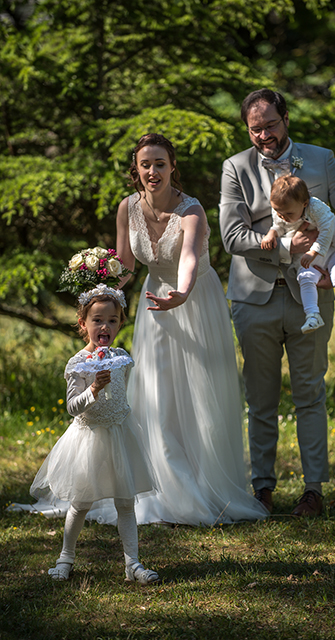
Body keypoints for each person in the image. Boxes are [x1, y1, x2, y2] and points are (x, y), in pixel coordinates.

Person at [219, 88, 335, 516]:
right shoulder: (234, 168)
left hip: (313, 294)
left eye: (270, 125)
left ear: (286, 118)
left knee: (310, 393)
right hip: (253, 298)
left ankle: (313, 491)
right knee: (261, 398)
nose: (263, 136)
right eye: (255, 129)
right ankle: (262, 489)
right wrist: (288, 248)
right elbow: (232, 236)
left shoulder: (321, 159)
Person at [111, 133, 268, 526]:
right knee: (157, 392)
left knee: (200, 395)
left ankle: (203, 485)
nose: (152, 172)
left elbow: (190, 259)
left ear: (172, 166)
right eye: (145, 164)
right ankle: (164, 490)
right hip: (154, 303)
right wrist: (101, 288)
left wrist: (181, 292)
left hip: (194, 300)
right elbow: (126, 266)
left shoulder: (191, 210)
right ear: (137, 168)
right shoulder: (126, 208)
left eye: (160, 164)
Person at [30, 284, 160, 584]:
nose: (105, 326)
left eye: (112, 320)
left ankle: (133, 564)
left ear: (120, 323)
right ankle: (66, 557)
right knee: (81, 502)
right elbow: (73, 407)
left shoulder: (121, 358)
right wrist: (93, 389)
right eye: (98, 320)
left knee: (126, 502)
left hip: (119, 435)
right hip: (88, 439)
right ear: (83, 323)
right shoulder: (78, 363)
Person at [261, 174, 335, 340]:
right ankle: (312, 316)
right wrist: (271, 234)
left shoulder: (316, 207)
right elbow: (278, 225)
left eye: (287, 213)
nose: (282, 216)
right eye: (277, 211)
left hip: (333, 248)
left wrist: (313, 251)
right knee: (305, 277)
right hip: (307, 253)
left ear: (304, 204)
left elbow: (327, 229)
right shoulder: (282, 210)